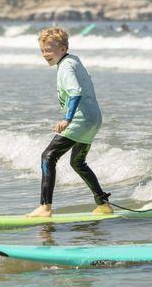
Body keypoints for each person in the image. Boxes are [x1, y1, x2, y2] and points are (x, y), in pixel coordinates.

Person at [27, 27, 113, 217]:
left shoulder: (66, 66)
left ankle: (45, 207)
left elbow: (75, 92)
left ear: (63, 48)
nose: (45, 55)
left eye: (49, 50)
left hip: (80, 120)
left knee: (48, 156)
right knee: (78, 162)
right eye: (42, 51)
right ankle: (103, 204)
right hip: (94, 118)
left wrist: (67, 119)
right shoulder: (74, 60)